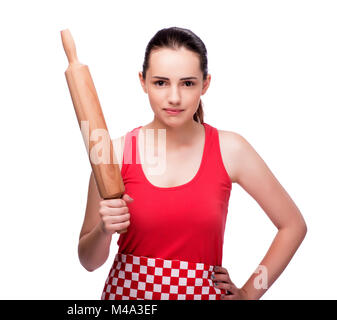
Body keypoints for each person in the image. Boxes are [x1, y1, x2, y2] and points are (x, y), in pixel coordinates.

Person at [77, 27, 307, 300]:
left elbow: (293, 225)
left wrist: (249, 293)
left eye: (187, 83)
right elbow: (88, 261)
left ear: (205, 84)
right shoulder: (115, 152)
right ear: (143, 82)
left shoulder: (230, 149)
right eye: (160, 83)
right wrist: (104, 230)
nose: (174, 97)